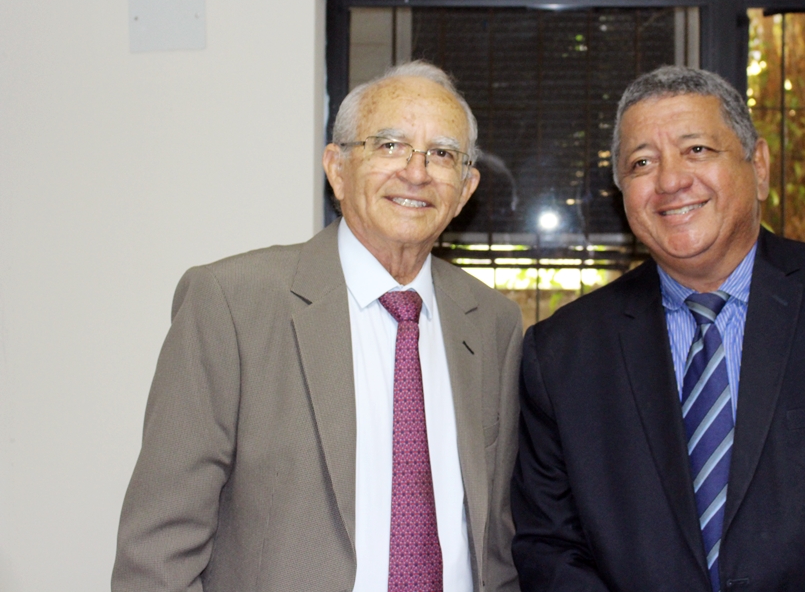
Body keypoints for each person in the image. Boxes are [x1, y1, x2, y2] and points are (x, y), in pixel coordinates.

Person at [510, 65, 805, 591]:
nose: (670, 181)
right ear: (622, 193)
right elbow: (550, 549)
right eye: (642, 163)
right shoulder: (562, 353)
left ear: (760, 166)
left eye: (697, 150)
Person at [112, 61, 523, 592]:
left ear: (465, 188)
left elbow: (498, 546)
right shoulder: (232, 303)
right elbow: (157, 553)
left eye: (442, 154)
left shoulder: (493, 324)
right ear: (337, 168)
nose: (417, 172)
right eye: (390, 145)